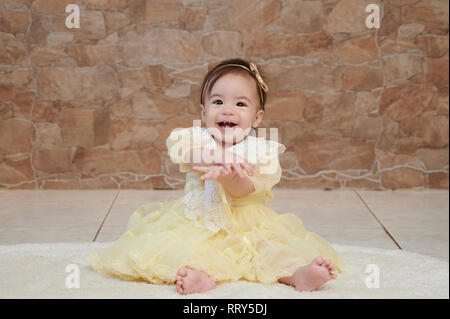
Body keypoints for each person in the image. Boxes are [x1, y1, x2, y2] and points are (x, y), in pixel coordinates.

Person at [89, 58, 343, 295]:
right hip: (199, 220)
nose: (227, 110)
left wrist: (229, 175)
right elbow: (187, 154)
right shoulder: (193, 140)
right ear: (203, 112)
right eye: (218, 102)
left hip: (249, 224)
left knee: (272, 251)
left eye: (240, 104)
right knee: (190, 250)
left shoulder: (261, 152)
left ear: (257, 117)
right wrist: (213, 157)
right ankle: (202, 277)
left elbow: (243, 190)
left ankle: (299, 275)